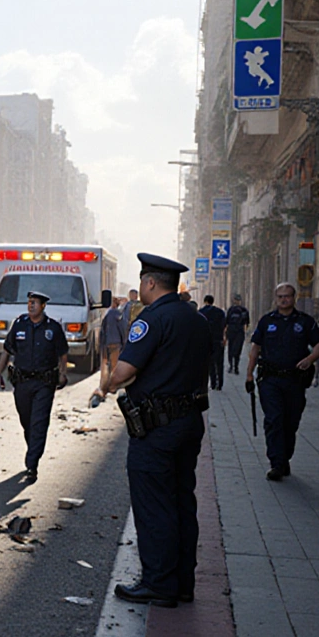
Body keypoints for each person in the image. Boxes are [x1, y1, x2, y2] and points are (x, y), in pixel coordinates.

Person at [94, 254, 210, 609]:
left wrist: (108, 384)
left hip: (157, 428)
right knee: (181, 501)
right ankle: (182, 583)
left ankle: (158, 583)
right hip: (189, 421)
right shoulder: (196, 319)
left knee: (155, 504)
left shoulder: (152, 319)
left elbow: (124, 370)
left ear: (150, 283)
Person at [246, 283, 319, 481]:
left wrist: (310, 359)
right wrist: (249, 375)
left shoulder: (305, 322)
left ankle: (284, 458)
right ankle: (276, 463)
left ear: (294, 298)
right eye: (280, 296)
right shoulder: (266, 321)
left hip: (294, 380)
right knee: (274, 419)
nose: (283, 300)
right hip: (270, 379)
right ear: (275, 298)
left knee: (290, 422)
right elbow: (255, 348)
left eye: (287, 296)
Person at [0, 290, 68, 484]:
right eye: (29, 302)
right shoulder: (19, 324)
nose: (31, 305)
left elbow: (62, 353)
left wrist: (62, 373)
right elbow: (7, 350)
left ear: (43, 306)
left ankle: (32, 464)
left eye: (34, 302)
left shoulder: (53, 328)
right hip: (22, 382)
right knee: (27, 421)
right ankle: (33, 451)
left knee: (39, 422)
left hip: (44, 383)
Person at [197, 295, 226, 391]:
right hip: (218, 339)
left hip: (206, 340)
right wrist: (224, 337)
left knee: (209, 362)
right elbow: (224, 326)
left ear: (205, 301)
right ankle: (220, 383)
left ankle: (213, 383)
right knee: (219, 362)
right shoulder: (220, 312)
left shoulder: (201, 312)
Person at [100, 296, 128, 388]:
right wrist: (124, 342)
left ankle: (104, 385)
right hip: (116, 342)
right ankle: (112, 386)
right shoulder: (119, 314)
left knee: (105, 365)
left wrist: (102, 343)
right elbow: (122, 329)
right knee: (114, 366)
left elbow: (103, 330)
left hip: (107, 343)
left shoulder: (107, 314)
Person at [226, 294, 251, 374]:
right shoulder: (231, 310)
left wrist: (245, 331)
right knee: (230, 349)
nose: (237, 302)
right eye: (236, 300)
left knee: (237, 350)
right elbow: (227, 322)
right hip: (231, 331)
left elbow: (247, 322)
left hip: (239, 332)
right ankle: (231, 366)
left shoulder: (244, 310)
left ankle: (236, 366)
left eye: (238, 300)